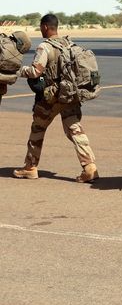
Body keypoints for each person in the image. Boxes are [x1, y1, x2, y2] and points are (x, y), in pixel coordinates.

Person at [13, 15, 98, 182]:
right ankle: (90, 167)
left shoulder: (45, 47)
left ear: (45, 27)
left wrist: (17, 70)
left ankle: (30, 167)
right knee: (75, 129)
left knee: (38, 128)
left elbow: (35, 71)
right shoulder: (70, 44)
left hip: (51, 98)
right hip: (71, 95)